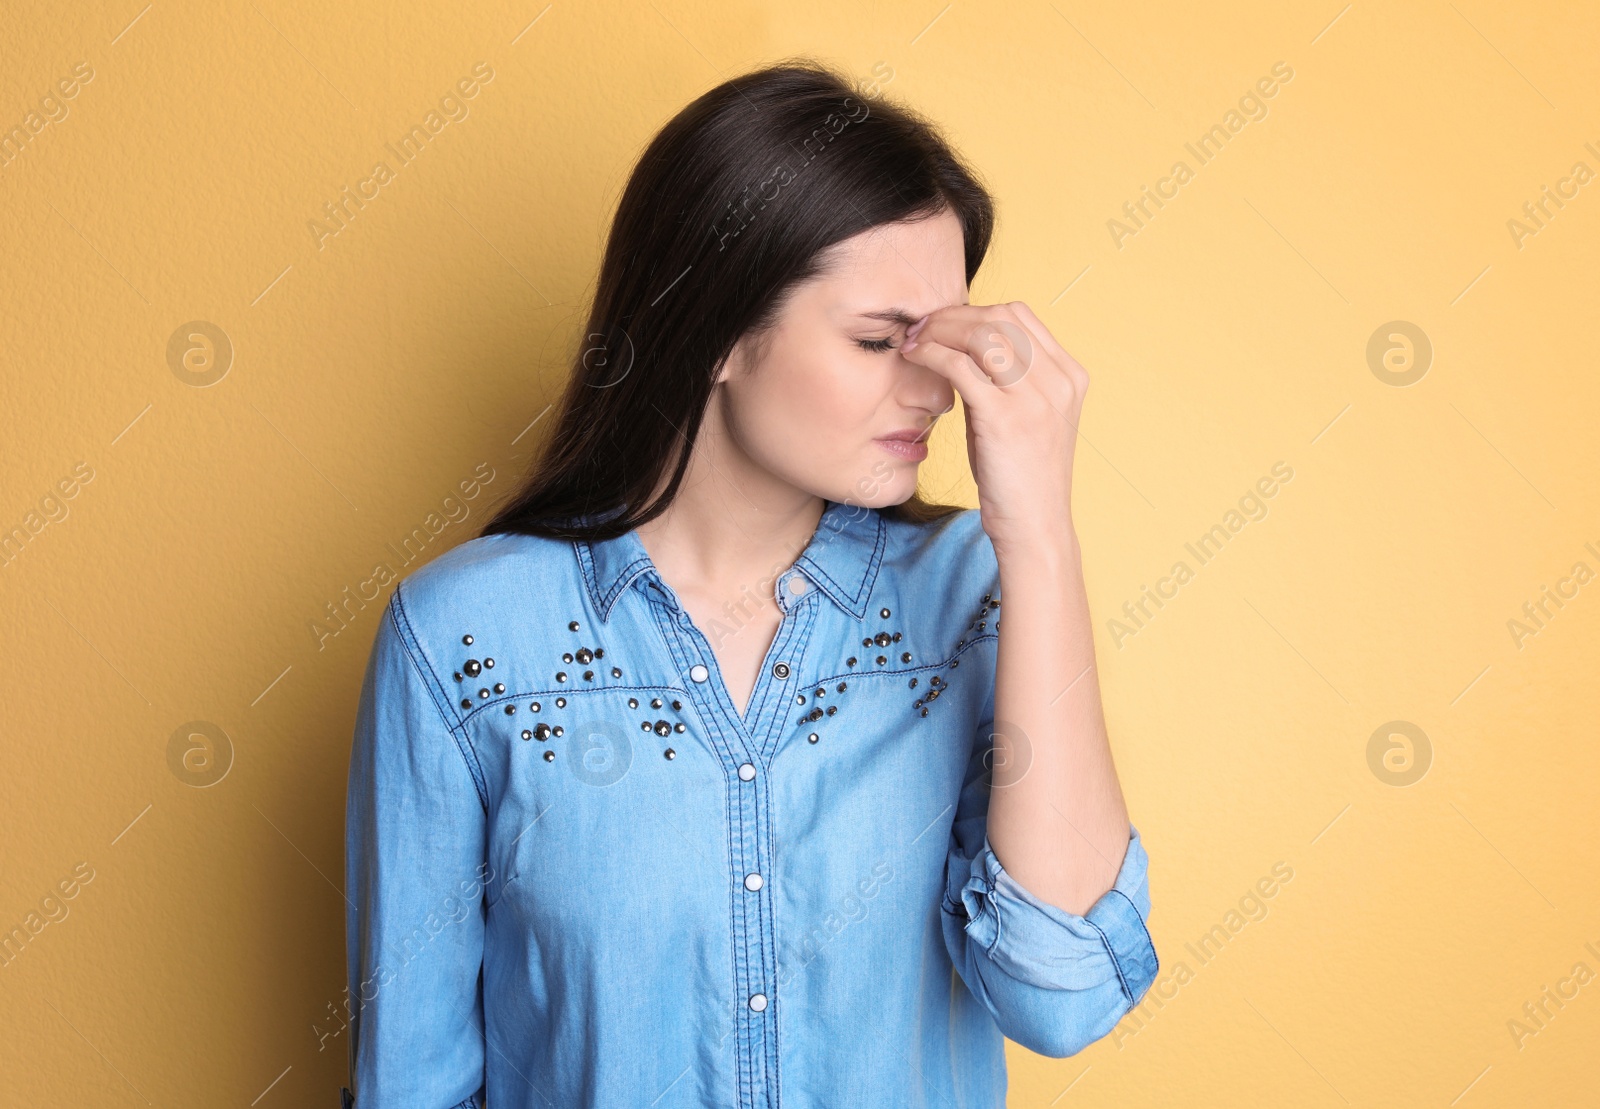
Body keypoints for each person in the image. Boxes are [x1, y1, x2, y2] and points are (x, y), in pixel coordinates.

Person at [342, 57, 1157, 1109]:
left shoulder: (975, 596)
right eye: (878, 339)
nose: (934, 389)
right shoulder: (465, 636)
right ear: (716, 329)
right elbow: (409, 1079)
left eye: (945, 340)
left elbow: (1065, 995)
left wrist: (1037, 529)